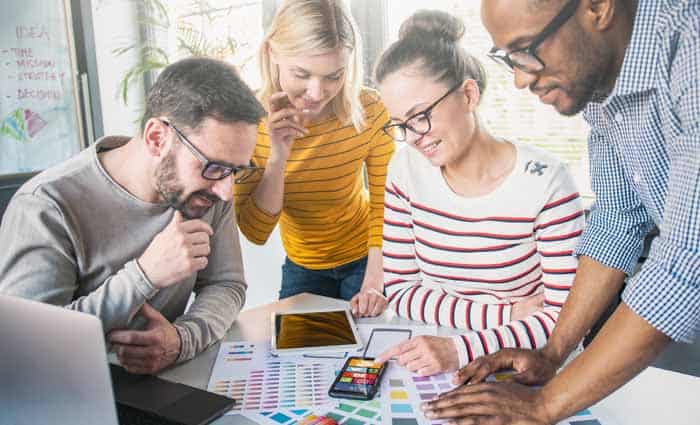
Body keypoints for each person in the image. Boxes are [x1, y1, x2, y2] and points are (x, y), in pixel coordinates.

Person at [422, 0, 700, 424]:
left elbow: (686, 261)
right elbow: (616, 220)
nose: (519, 78)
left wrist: (543, 406)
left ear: (597, 7)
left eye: (526, 48)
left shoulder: (691, 45)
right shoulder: (602, 79)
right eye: (508, 58)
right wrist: (553, 352)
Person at [0, 57, 265, 375]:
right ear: (157, 138)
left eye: (235, 171)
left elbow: (226, 283)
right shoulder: (46, 205)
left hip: (165, 379)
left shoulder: (208, 192)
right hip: (71, 388)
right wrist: (144, 276)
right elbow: (28, 348)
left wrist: (181, 341)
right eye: (215, 167)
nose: (226, 191)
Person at [370, 10, 585, 376]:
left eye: (421, 115)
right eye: (401, 125)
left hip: (527, 361)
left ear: (468, 94)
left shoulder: (547, 182)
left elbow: (564, 320)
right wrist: (505, 314)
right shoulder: (404, 171)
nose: (413, 137)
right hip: (434, 356)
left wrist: (462, 347)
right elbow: (402, 291)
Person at [234, 0, 395, 314]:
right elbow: (255, 231)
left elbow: (385, 204)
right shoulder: (246, 123)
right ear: (272, 53)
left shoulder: (371, 110)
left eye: (334, 76)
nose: (317, 92)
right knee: (294, 353)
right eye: (301, 74)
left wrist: (375, 281)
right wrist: (278, 159)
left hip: (367, 259)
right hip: (303, 265)